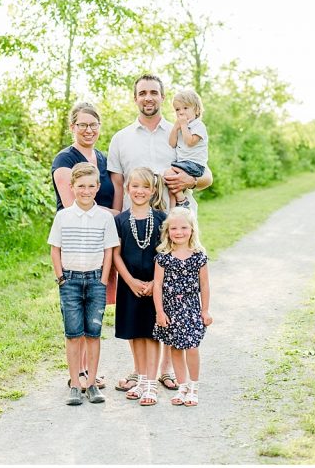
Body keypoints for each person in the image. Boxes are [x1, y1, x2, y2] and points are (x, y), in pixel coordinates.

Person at [107, 73, 213, 393]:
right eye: (142, 92)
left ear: (163, 98)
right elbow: (115, 185)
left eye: (154, 92)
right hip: (136, 226)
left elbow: (206, 174)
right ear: (135, 97)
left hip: (174, 225)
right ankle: (143, 372)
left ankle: (167, 368)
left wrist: (189, 182)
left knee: (174, 295)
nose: (148, 97)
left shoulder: (183, 128)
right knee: (140, 297)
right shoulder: (121, 138)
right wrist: (114, 224)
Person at [50, 102, 117, 392]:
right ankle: (77, 373)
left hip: (100, 244)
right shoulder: (65, 159)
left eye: (93, 124)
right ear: (72, 127)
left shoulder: (103, 159)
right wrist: (121, 217)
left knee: (94, 312)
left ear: (99, 127)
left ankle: (90, 373)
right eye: (82, 125)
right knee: (75, 316)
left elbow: (114, 195)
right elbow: (74, 205)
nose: (88, 130)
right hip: (76, 247)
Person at [112, 167, 168, 406]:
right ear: (127, 189)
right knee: (135, 332)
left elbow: (167, 252)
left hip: (155, 284)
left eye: (145, 187)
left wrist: (156, 282)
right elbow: (115, 255)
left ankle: (151, 384)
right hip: (130, 285)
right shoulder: (120, 220)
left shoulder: (162, 219)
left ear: (153, 190)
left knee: (152, 332)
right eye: (135, 186)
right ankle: (142, 378)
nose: (140, 191)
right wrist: (130, 281)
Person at [153, 208, 212, 407]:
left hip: (192, 308)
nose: (179, 232)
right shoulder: (163, 256)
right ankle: (182, 386)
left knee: (192, 347)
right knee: (176, 348)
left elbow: (204, 285)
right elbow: (158, 285)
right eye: (174, 228)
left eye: (184, 227)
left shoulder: (199, 256)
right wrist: (160, 312)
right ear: (167, 231)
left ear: (192, 230)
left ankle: (193, 387)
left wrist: (205, 310)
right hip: (170, 309)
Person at [168, 88, 209, 208]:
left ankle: (182, 201)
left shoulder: (198, 126)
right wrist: (175, 128)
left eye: (185, 108)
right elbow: (172, 143)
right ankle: (178, 203)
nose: (181, 112)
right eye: (177, 109)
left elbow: (190, 142)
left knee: (169, 174)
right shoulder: (181, 126)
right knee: (169, 176)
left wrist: (183, 126)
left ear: (196, 110)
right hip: (185, 163)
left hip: (195, 165)